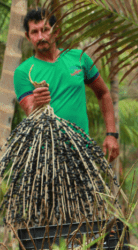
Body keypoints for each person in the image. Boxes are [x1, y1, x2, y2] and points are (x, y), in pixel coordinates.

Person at [14, 8, 119, 162]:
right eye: (34, 32)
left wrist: (111, 134)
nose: (40, 36)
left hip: (81, 151)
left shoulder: (79, 58)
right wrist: (38, 103)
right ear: (28, 37)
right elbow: (31, 111)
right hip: (45, 157)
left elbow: (103, 93)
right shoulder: (23, 72)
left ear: (55, 32)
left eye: (45, 30)